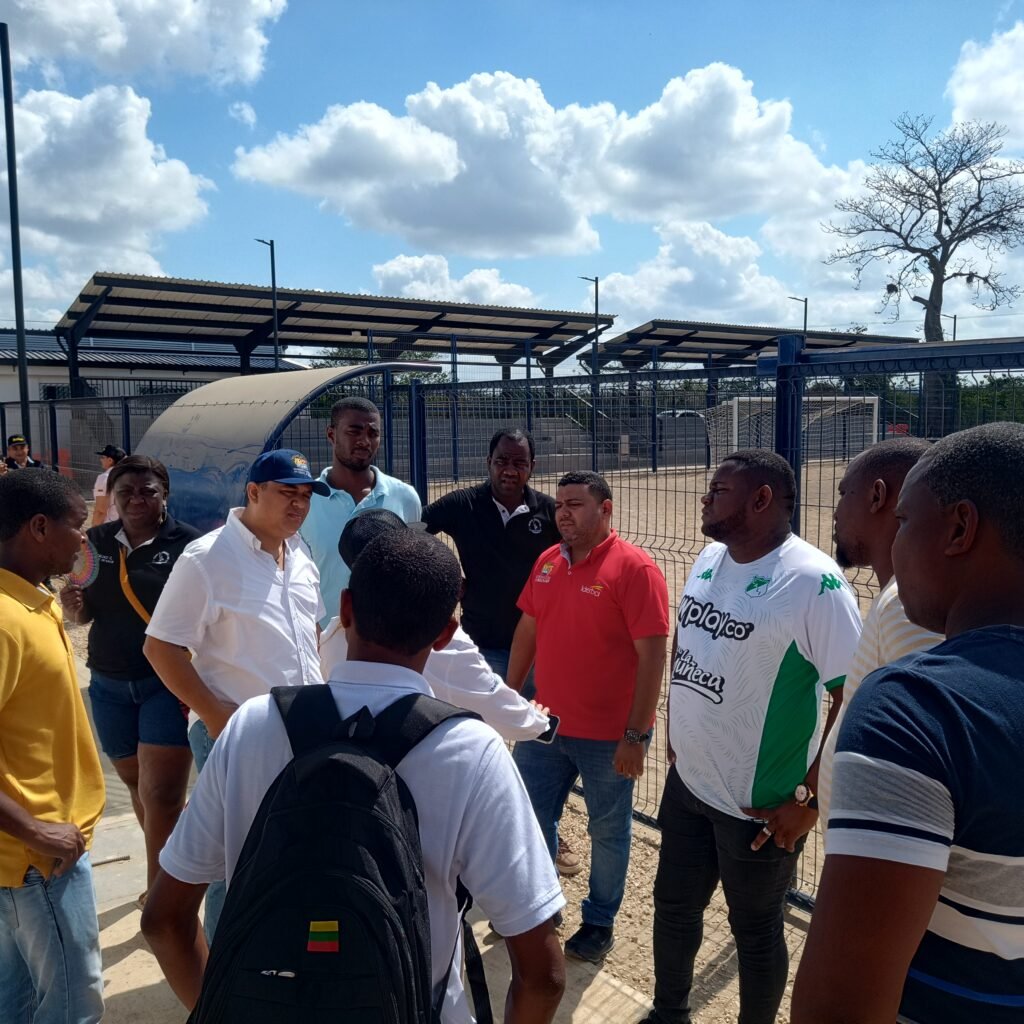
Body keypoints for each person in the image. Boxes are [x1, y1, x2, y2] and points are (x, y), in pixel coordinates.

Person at [142, 529, 567, 1023]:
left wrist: (219, 1011)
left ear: (345, 610)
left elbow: (163, 922)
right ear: (446, 634)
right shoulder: (471, 752)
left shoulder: (253, 726)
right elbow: (543, 976)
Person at [792, 422, 1024, 1024]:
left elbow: (837, 1007)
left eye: (904, 522)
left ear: (959, 529)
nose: (894, 548)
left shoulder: (921, 708)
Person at [644, 450, 862, 1024]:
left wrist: (809, 799)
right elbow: (690, 638)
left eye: (718, 490)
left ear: (762, 499)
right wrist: (677, 723)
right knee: (673, 907)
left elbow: (855, 693)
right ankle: (668, 1013)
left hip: (759, 806)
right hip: (689, 782)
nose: (705, 497)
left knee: (756, 931)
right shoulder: (711, 556)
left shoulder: (814, 582)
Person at [144, 448, 328, 940]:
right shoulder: (207, 559)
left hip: (302, 733)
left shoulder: (300, 553)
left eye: (306, 496)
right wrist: (215, 715)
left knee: (287, 852)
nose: (298, 505)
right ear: (253, 492)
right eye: (287, 493)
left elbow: (309, 633)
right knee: (234, 863)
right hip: (235, 736)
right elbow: (160, 646)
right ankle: (227, 968)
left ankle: (272, 954)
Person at [509, 470, 670, 963]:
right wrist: (510, 698)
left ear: (606, 509)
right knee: (531, 816)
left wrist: (635, 736)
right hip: (545, 726)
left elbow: (652, 658)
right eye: (559, 504)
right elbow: (527, 630)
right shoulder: (547, 562)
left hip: (608, 737)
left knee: (608, 831)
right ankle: (542, 906)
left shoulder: (634, 569)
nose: (563, 513)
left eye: (575, 504)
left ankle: (599, 922)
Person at [60, 455, 200, 898]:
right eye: (126, 492)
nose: (137, 499)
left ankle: (161, 897)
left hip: (166, 685)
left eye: (147, 491)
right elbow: (85, 614)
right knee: (139, 788)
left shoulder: (190, 546)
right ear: (113, 497)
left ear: (165, 495)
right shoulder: (94, 543)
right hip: (108, 685)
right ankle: (172, 864)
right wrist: (74, 609)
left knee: (162, 796)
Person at [0, 470, 106, 1024]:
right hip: (38, 857)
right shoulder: (4, 619)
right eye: (77, 525)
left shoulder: (33, 603)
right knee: (73, 1007)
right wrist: (36, 830)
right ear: (39, 527)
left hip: (34, 856)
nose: (84, 539)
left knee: (17, 1004)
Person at [319, 508, 551, 741]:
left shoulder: (332, 637)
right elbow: (499, 711)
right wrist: (537, 721)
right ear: (445, 633)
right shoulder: (441, 640)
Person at [816, 437, 941, 821]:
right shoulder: (901, 596)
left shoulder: (908, 607)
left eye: (843, 494)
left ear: (877, 496)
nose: (835, 512)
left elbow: (924, 759)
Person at [300, 396, 421, 628]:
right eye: (354, 431)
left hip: (389, 636)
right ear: (331, 435)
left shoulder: (405, 497)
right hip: (321, 639)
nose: (365, 441)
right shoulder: (307, 501)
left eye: (373, 433)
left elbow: (412, 569)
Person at [90, 444, 127, 526]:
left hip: (110, 526)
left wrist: (94, 530)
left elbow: (101, 510)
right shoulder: (129, 476)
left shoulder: (104, 478)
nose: (101, 460)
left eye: (103, 457)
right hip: (128, 525)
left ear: (110, 460)